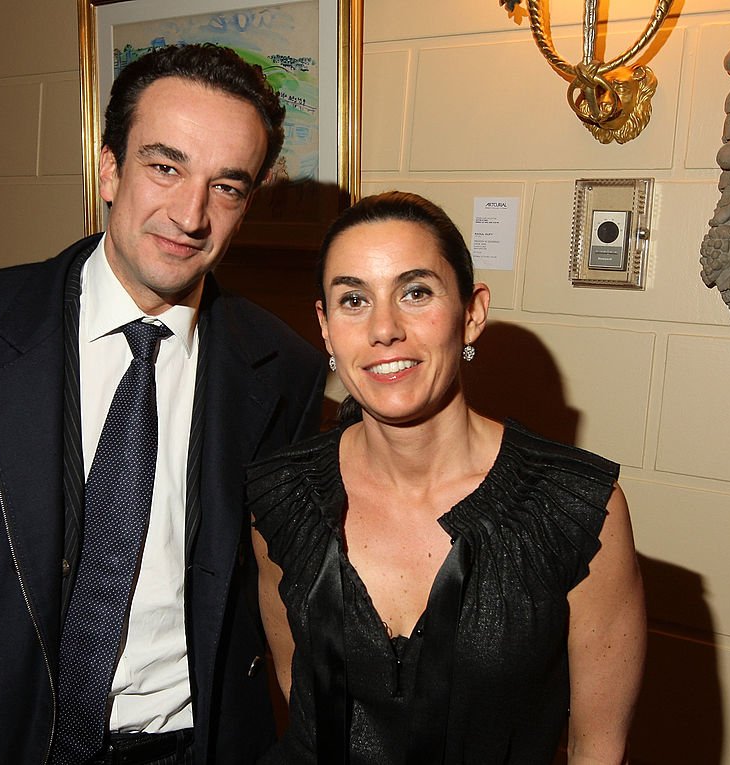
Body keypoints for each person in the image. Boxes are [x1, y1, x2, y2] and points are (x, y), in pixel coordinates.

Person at [0, 44, 326, 764]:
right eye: (165, 165)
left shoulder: (284, 369)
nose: (190, 214)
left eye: (227, 186)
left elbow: (283, 593)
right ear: (110, 169)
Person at [248, 192, 646, 764]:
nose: (384, 329)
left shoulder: (580, 509)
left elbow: (599, 746)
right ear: (327, 328)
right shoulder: (279, 496)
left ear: (472, 312)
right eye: (354, 300)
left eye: (415, 293)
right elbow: (299, 697)